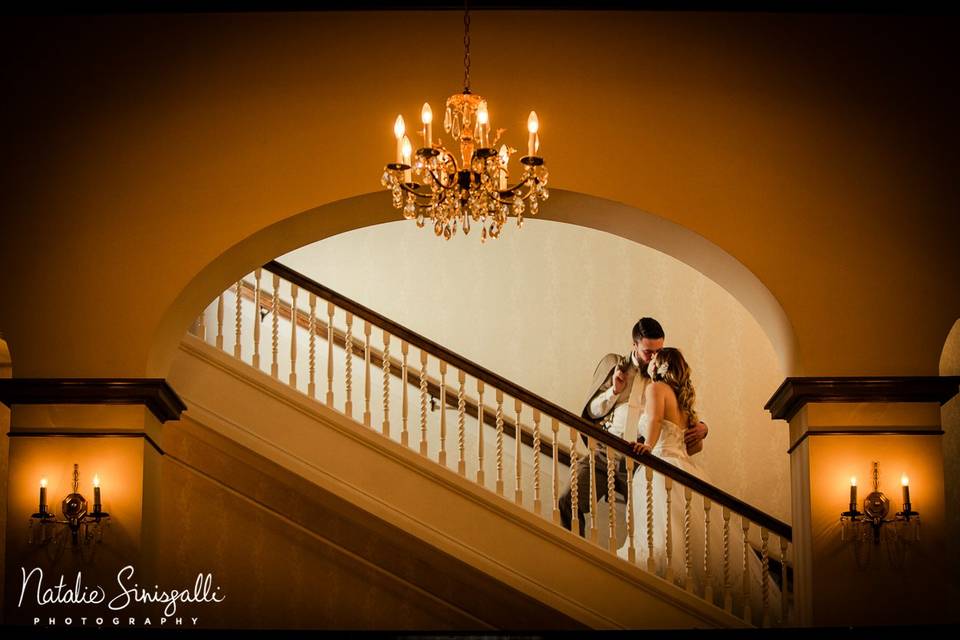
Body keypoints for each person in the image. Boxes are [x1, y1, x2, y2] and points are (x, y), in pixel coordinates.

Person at [617, 347, 780, 623]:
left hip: (663, 466)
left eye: (655, 359)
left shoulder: (656, 389)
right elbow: (692, 448)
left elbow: (654, 420)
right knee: (688, 534)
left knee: (668, 533)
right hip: (686, 468)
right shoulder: (683, 401)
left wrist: (646, 445)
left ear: (661, 365)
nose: (651, 362)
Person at [558, 317, 708, 537]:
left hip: (641, 460)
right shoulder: (615, 366)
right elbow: (591, 412)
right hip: (604, 452)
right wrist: (614, 392)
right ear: (634, 344)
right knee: (567, 501)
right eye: (649, 351)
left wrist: (703, 427)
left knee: (647, 526)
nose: (654, 357)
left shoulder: (664, 380)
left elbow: (678, 416)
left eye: (659, 350)